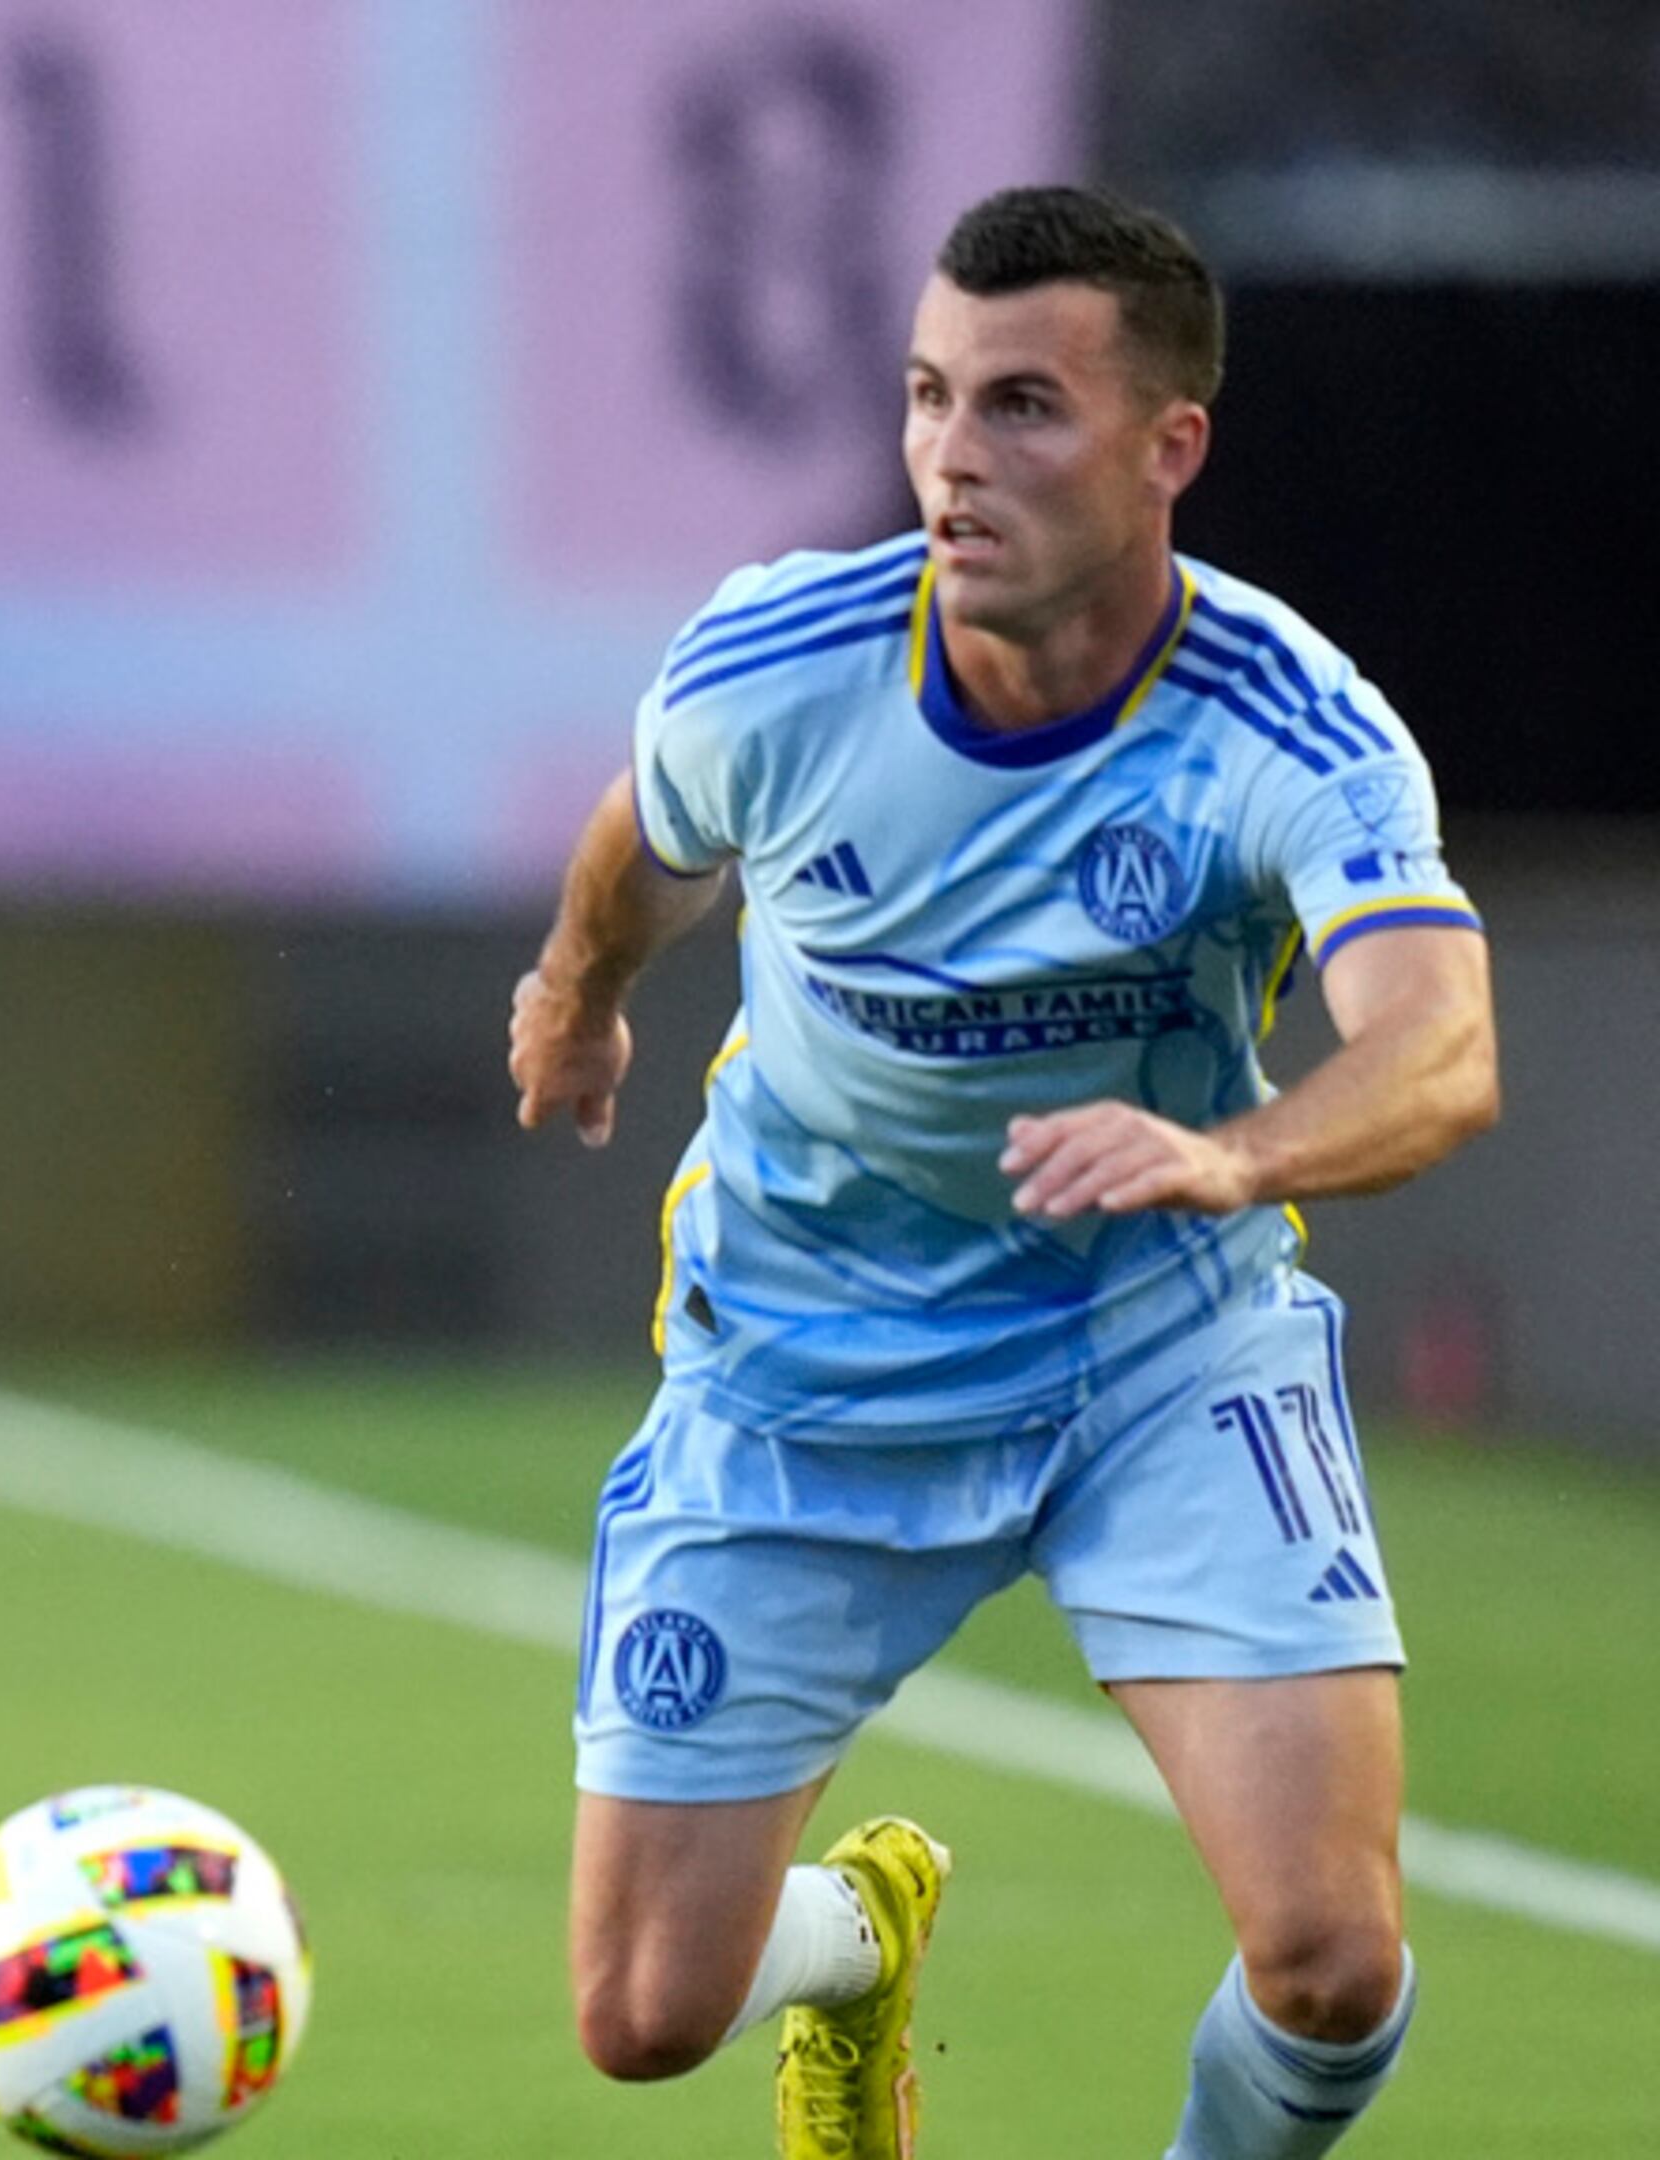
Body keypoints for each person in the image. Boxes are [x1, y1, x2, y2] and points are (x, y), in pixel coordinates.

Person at [506, 185, 1496, 2160]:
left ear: (1168, 447)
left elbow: (1441, 1051)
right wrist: (577, 991)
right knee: (637, 2016)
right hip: (805, 1370)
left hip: (1156, 1355)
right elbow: (649, 828)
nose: (956, 457)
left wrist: (1231, 1156)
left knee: (1332, 1960)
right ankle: (856, 1950)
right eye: (929, 396)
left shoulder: (1285, 727)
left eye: (1025, 406)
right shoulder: (781, 661)